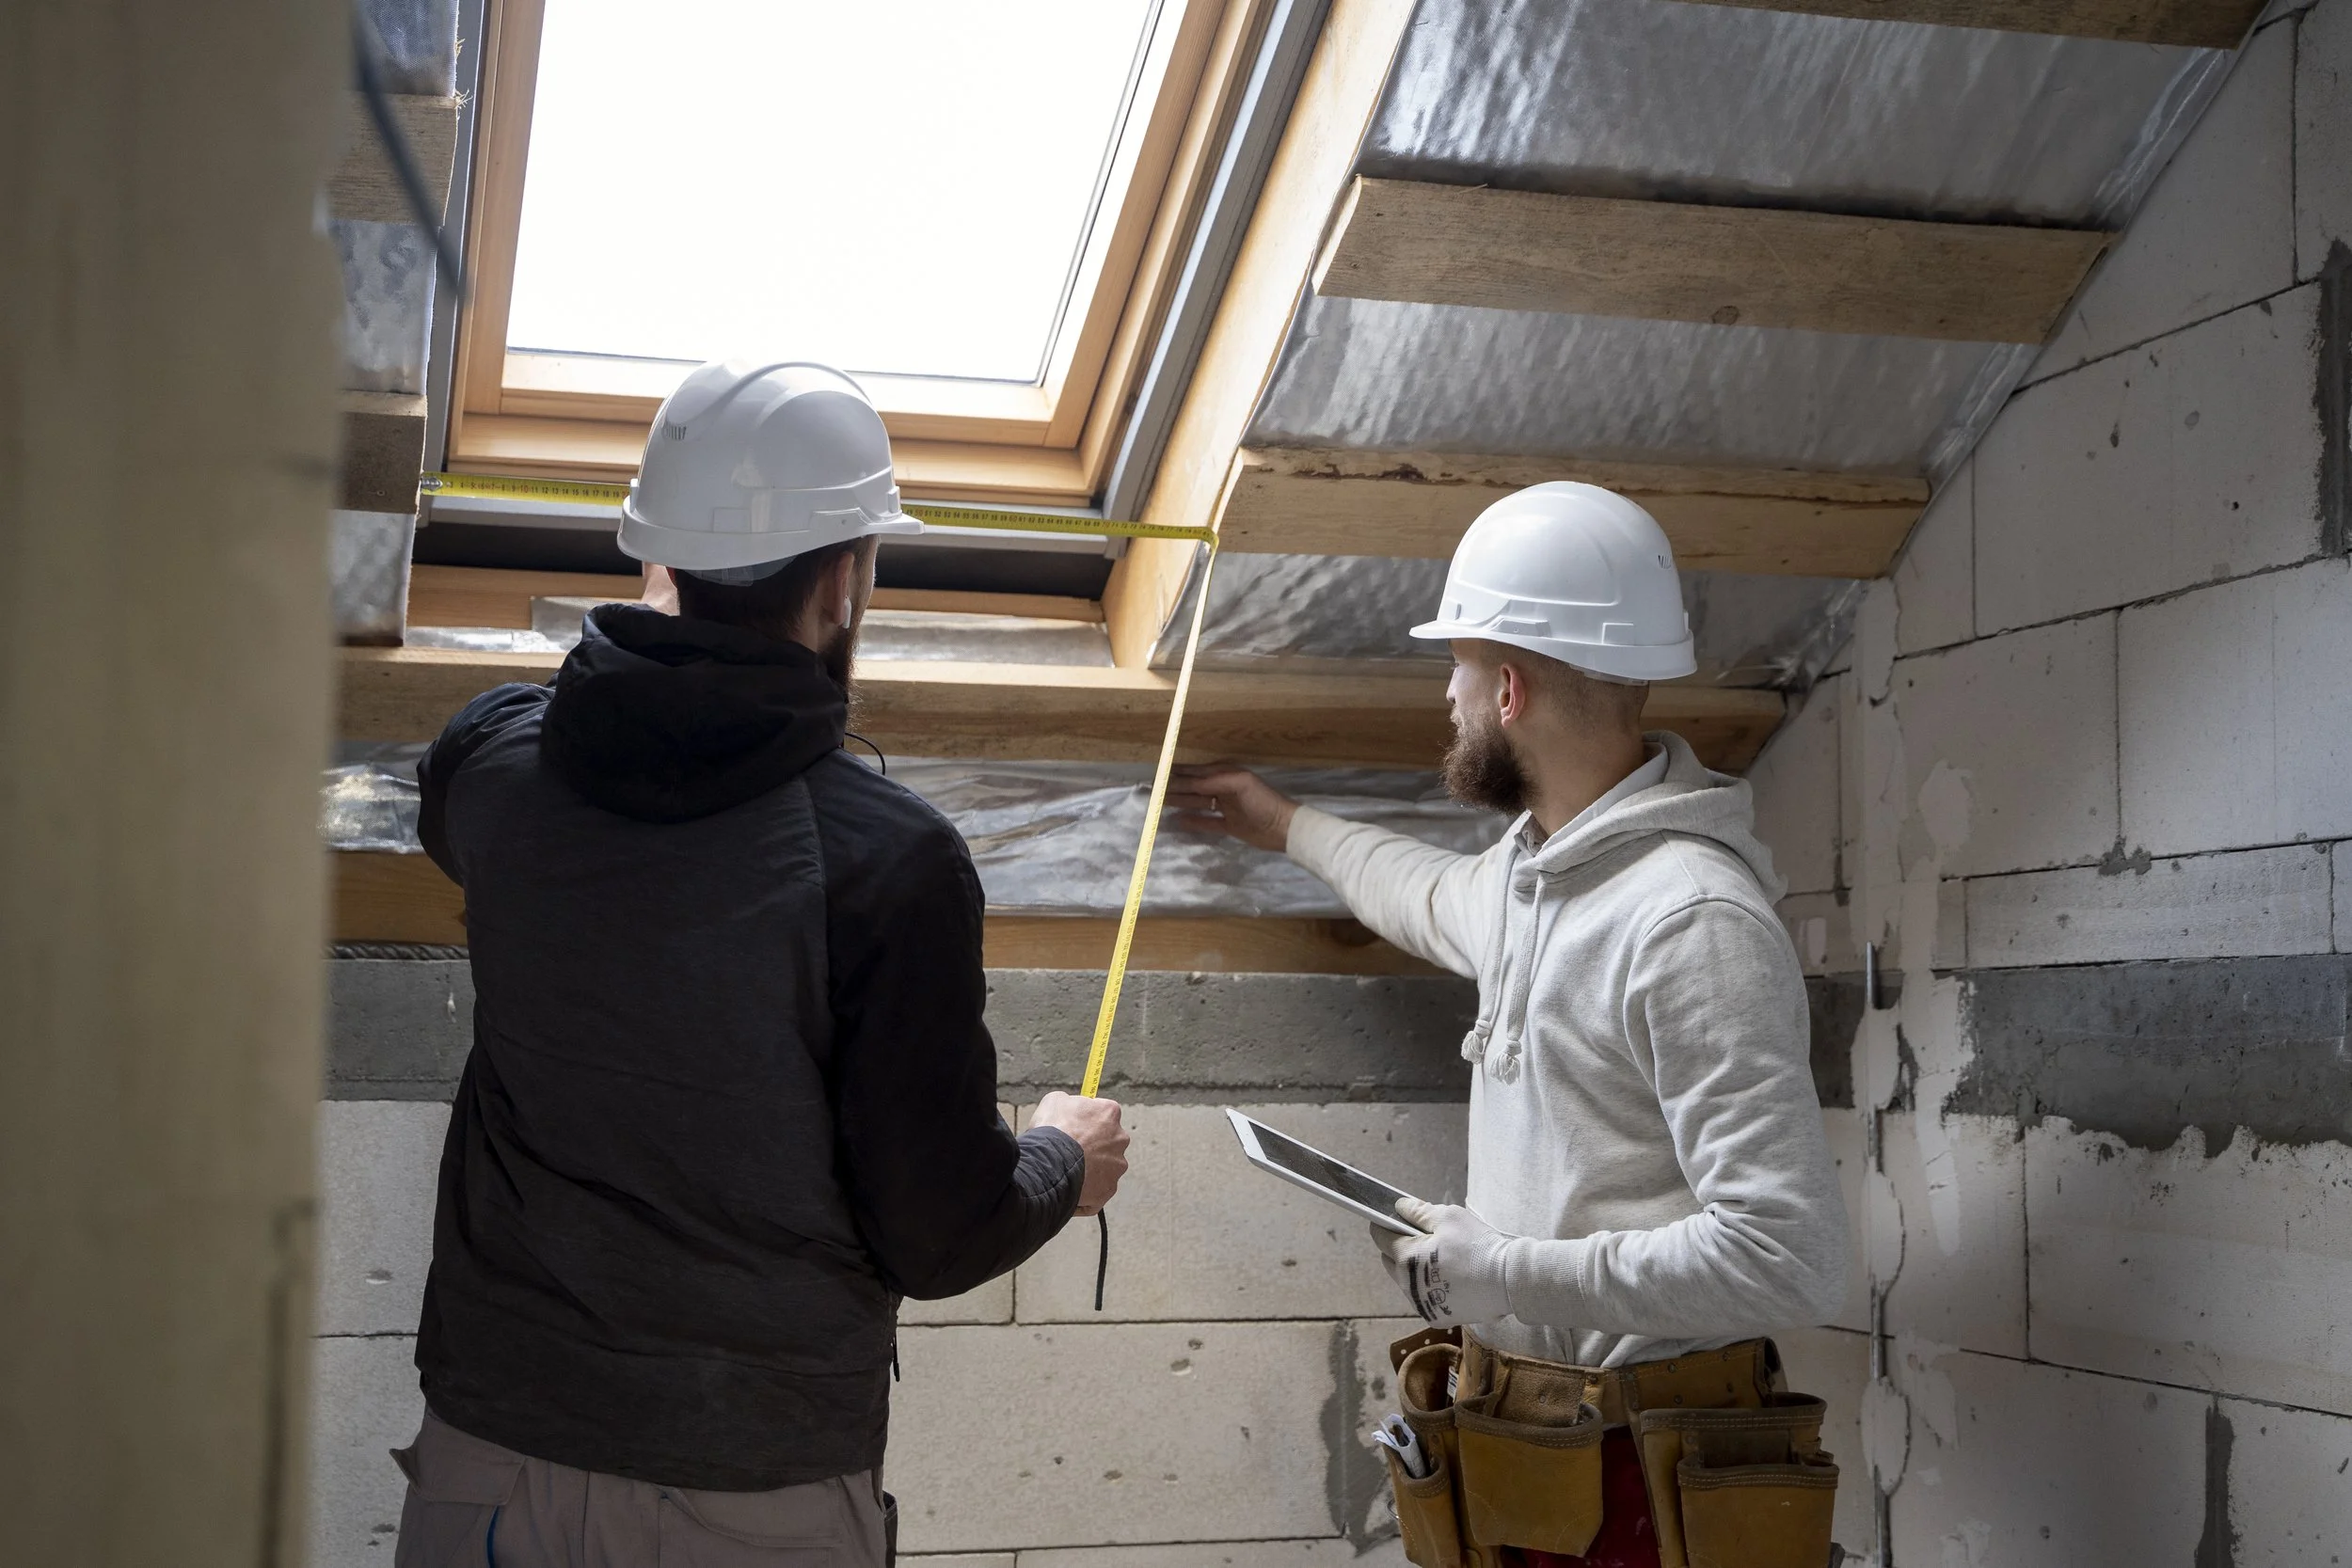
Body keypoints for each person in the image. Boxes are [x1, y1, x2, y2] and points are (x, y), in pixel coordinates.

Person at [393, 360, 1129, 1568]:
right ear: (842, 582)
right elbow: (939, 1234)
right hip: (751, 1490)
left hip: (488, 1451)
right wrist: (1062, 1159)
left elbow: (481, 796)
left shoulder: (492, 767)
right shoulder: (890, 862)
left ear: (655, 562)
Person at [1171, 483, 1846, 1568]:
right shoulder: (1535, 873)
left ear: (1511, 688)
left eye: (1461, 666)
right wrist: (1280, 822)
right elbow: (1425, 893)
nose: (1448, 694)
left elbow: (1788, 1255)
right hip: (1543, 1450)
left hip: (1649, 1471)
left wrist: (1513, 1270)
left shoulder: (1688, 919)